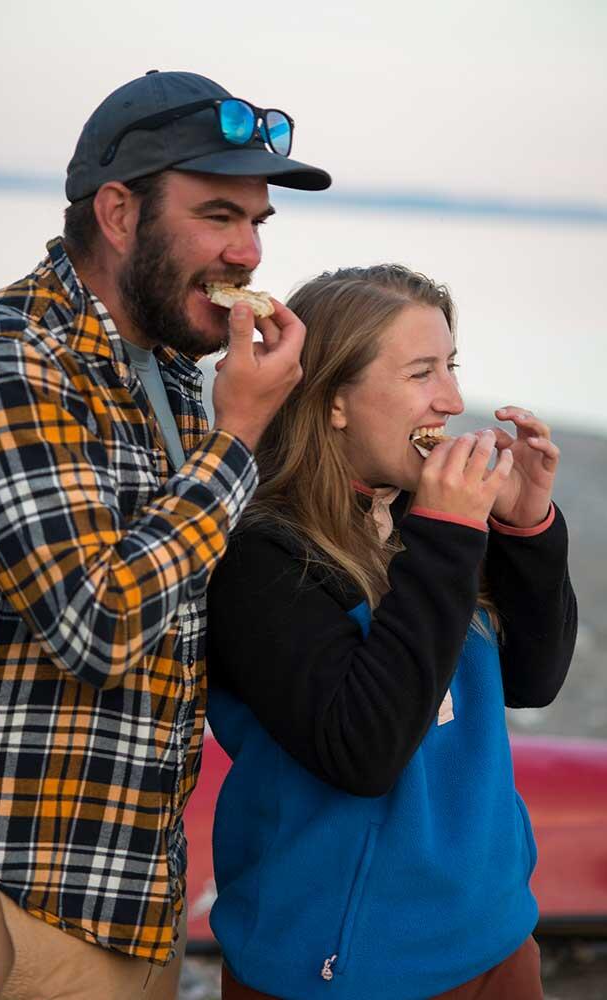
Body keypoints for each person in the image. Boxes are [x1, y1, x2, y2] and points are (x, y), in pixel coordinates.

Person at [0, 70, 331, 1000]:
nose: (247, 253)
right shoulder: (8, 356)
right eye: (219, 215)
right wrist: (239, 435)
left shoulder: (168, 371)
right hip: (20, 896)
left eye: (258, 224)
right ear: (118, 213)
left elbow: (198, 593)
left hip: (135, 891)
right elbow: (99, 624)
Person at [207, 263, 577, 1000]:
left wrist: (528, 527)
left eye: (451, 366)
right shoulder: (263, 555)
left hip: (494, 933)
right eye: (420, 373)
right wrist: (449, 533)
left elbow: (534, 681)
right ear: (337, 401)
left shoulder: (422, 517)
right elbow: (363, 752)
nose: (453, 399)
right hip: (346, 967)